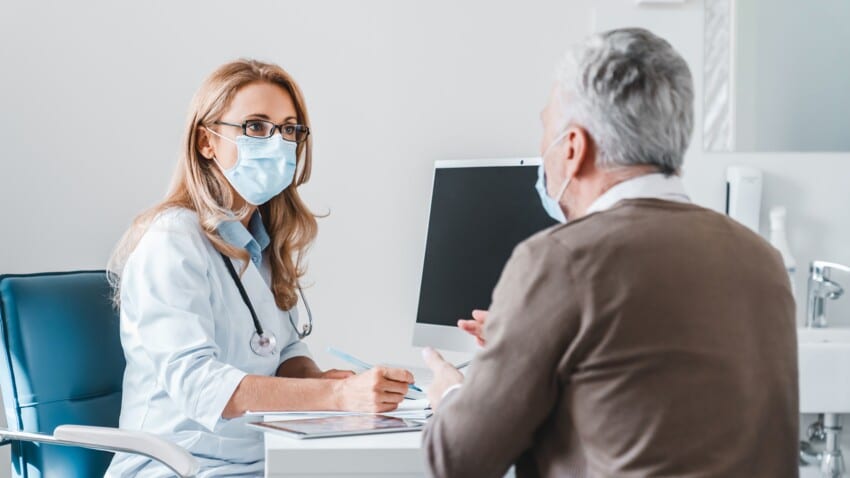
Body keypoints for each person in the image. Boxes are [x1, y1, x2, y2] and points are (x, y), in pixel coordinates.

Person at [422, 28, 798, 477]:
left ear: (574, 148)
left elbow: (457, 460)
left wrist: (451, 392)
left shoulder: (558, 259)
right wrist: (523, 340)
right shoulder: (763, 261)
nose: (541, 153)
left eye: (545, 130)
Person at [104, 59, 414, 477]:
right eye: (255, 126)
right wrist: (339, 397)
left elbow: (282, 350)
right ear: (206, 141)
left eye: (289, 129)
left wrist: (319, 380)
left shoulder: (260, 241)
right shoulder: (172, 241)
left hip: (264, 462)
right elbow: (203, 388)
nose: (276, 141)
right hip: (179, 467)